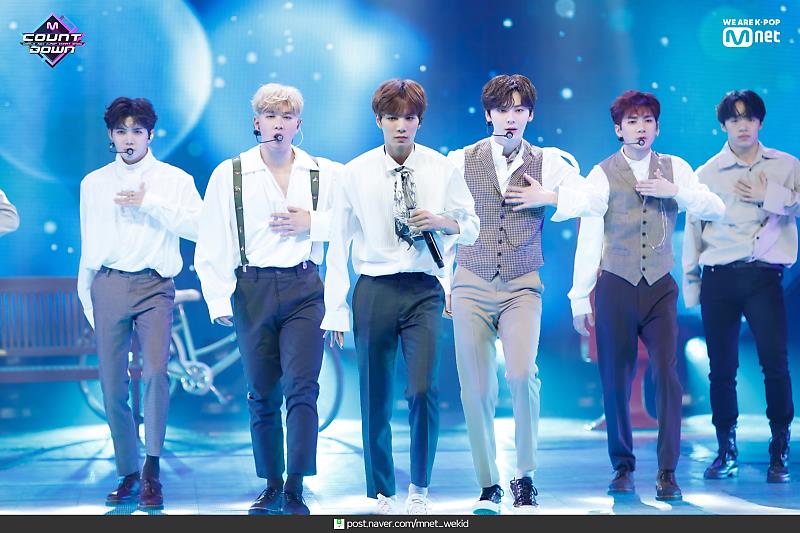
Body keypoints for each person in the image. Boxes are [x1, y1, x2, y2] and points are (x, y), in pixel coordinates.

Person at [447, 74, 606, 514]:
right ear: (488, 115)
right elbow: (446, 223)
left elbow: (595, 201)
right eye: (502, 110)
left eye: (519, 109)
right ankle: (488, 483)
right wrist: (445, 283)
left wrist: (550, 196)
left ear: (530, 115)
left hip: (521, 285)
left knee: (521, 375)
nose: (510, 118)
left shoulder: (548, 161)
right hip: (471, 281)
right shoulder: (460, 161)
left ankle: (525, 476)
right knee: (476, 389)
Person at [321, 79, 479, 515]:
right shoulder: (353, 173)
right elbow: (337, 242)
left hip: (423, 289)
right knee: (374, 393)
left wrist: (442, 221)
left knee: (423, 389)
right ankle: (382, 492)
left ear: (419, 121)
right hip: (374, 287)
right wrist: (335, 310)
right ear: (379, 120)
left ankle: (420, 488)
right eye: (392, 117)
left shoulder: (442, 168)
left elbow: (471, 226)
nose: (401, 125)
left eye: (409, 117)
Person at [569, 90, 724, 501]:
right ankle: (622, 467)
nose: (641, 128)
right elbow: (589, 235)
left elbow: (715, 208)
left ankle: (667, 472)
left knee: (667, 375)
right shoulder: (601, 173)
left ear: (657, 127)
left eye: (648, 121)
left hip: (659, 287)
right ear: (619, 130)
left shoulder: (676, 168)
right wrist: (579, 297)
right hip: (616, 284)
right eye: (633, 121)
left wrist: (675, 191)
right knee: (615, 378)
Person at [194, 83, 342, 515]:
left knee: (303, 386)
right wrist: (218, 299)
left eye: (286, 116)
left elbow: (351, 224)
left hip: (304, 287)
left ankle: (296, 484)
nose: (278, 124)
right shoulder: (231, 173)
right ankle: (271, 482)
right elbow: (211, 238)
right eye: (270, 115)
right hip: (252, 287)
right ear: (256, 122)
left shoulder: (323, 173)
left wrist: (312, 223)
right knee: (261, 392)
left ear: (298, 124)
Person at [78, 97, 202, 510]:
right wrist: (87, 297)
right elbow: (89, 245)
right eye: (121, 131)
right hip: (108, 284)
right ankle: (127, 472)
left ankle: (152, 470)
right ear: (110, 136)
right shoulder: (93, 183)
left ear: (151, 134)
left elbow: (200, 227)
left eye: (136, 130)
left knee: (156, 374)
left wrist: (149, 203)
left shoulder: (175, 179)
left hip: (154, 285)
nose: (128, 139)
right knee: (112, 383)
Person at [683, 90, 798, 484]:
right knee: (721, 369)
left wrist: (771, 196)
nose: (743, 125)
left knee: (774, 364)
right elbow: (692, 233)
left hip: (763, 276)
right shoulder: (706, 173)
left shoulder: (786, 165)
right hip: (719, 277)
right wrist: (692, 285)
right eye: (734, 119)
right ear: (723, 126)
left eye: (749, 118)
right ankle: (725, 448)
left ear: (760, 122)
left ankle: (779, 447)